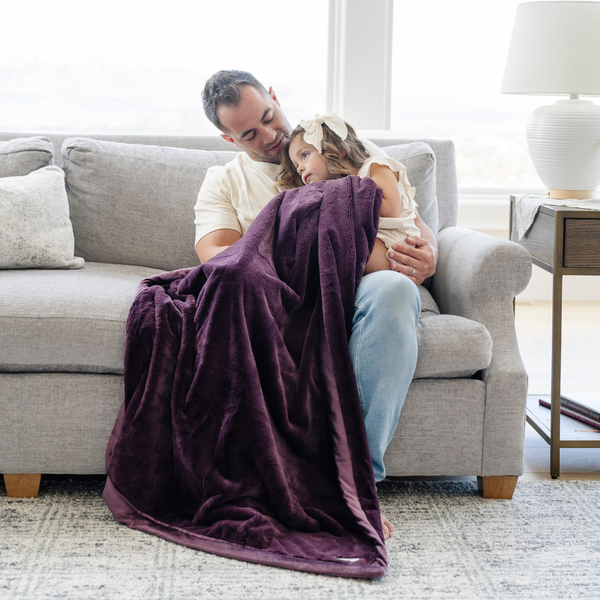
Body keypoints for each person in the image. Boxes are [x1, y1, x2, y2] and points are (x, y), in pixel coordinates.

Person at [196, 70, 438, 540]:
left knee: (394, 290)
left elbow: (407, 219)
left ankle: (355, 483)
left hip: (360, 285)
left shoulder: (336, 146)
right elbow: (220, 257)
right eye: (249, 133)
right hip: (285, 299)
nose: (271, 136)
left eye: (269, 117)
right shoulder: (224, 181)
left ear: (274, 96)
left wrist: (428, 255)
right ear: (228, 138)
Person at [277, 115, 420, 274]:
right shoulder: (329, 191)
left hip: (396, 245)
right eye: (296, 165)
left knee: (333, 247)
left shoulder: (375, 167)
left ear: (339, 150)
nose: (299, 169)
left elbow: (390, 209)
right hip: (370, 241)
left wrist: (340, 198)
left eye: (304, 155)